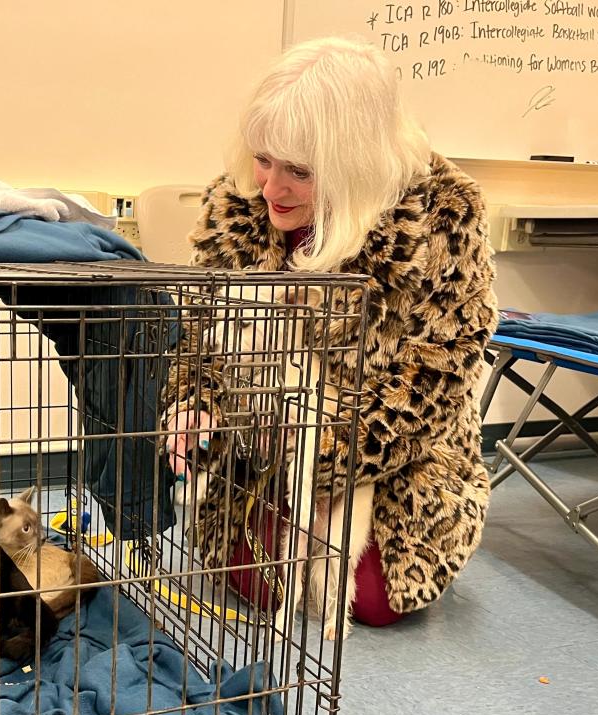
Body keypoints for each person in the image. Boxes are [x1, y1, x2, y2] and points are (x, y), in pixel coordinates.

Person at [162, 36, 498, 633]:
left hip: (390, 452)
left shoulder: (442, 212)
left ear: (356, 163)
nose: (270, 189)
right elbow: (199, 338)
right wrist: (195, 406)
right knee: (260, 579)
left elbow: (438, 373)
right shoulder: (236, 203)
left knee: (373, 599)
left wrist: (322, 459)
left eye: (300, 172)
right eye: (264, 159)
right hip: (261, 440)